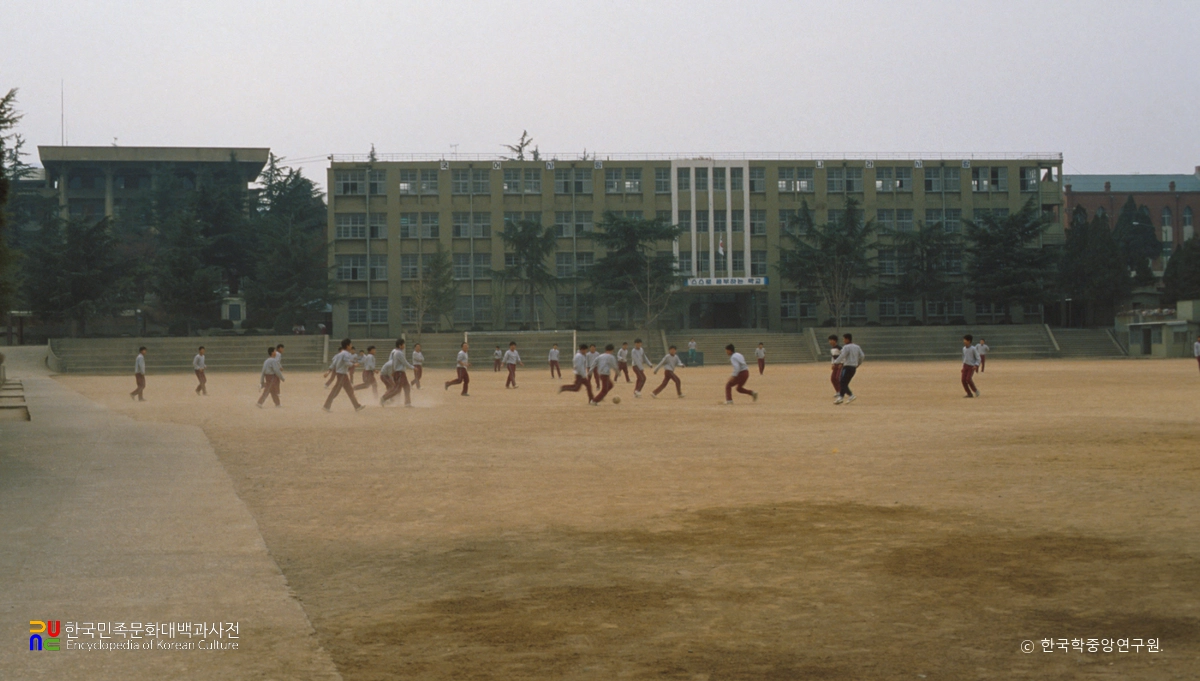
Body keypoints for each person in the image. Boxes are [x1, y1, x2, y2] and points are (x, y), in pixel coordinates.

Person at [323, 338, 365, 412]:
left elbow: (334, 363)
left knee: (349, 390)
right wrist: (354, 364)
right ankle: (326, 406)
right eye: (350, 344)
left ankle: (357, 406)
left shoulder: (339, 354)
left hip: (342, 374)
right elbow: (346, 363)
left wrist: (328, 371)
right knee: (335, 391)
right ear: (347, 345)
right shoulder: (346, 354)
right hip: (342, 375)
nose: (351, 346)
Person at [381, 339, 415, 407]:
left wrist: (393, 371)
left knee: (407, 387)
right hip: (400, 373)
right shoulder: (399, 353)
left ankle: (407, 403)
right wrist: (413, 368)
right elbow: (404, 362)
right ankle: (384, 398)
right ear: (400, 345)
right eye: (403, 344)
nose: (404, 346)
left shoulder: (395, 352)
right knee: (397, 389)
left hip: (400, 372)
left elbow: (393, 362)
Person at [833, 333, 863, 405]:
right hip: (853, 367)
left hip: (847, 366)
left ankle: (851, 395)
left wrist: (836, 362)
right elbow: (862, 356)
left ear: (847, 339)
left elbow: (842, 355)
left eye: (844, 339)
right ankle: (841, 397)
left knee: (842, 382)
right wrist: (858, 363)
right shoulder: (857, 347)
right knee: (844, 382)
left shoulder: (846, 347)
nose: (843, 340)